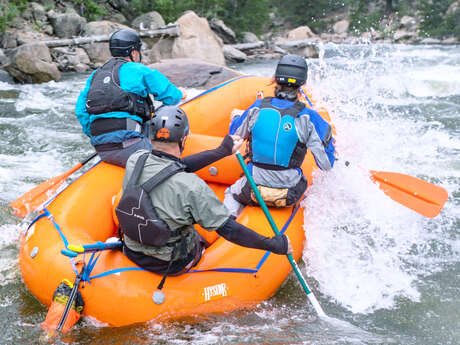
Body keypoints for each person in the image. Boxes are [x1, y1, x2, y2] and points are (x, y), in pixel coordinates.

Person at [115, 106, 292, 280]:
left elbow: (173, 167)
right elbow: (230, 231)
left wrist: (221, 152)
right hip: (169, 263)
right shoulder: (193, 187)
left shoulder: (136, 159)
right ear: (184, 140)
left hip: (133, 251)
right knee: (198, 233)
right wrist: (275, 245)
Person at [224, 54, 336, 217]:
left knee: (232, 194)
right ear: (302, 83)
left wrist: (236, 117)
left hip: (253, 188)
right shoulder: (309, 117)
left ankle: (225, 227)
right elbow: (326, 165)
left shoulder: (256, 108)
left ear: (276, 79)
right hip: (290, 194)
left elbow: (233, 135)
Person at [75, 29, 186, 167]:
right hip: (133, 146)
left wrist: (102, 135)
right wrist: (181, 94)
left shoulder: (95, 76)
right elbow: (172, 98)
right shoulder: (139, 70)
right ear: (133, 53)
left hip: (102, 149)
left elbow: (80, 110)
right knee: (172, 114)